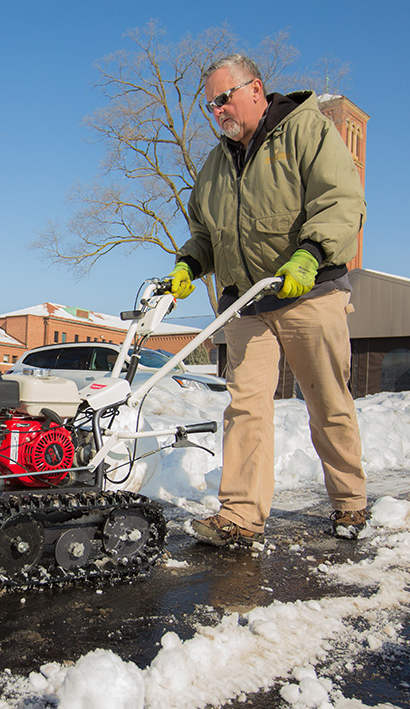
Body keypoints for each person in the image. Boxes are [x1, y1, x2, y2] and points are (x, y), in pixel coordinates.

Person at [167, 54, 369, 545]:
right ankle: (240, 515)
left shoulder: (307, 132)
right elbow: (204, 229)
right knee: (246, 407)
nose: (217, 111)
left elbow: (342, 200)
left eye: (223, 98)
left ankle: (350, 503)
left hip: (309, 291)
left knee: (327, 400)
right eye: (209, 104)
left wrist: (311, 253)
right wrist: (188, 264)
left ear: (255, 89)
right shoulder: (216, 163)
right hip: (247, 302)